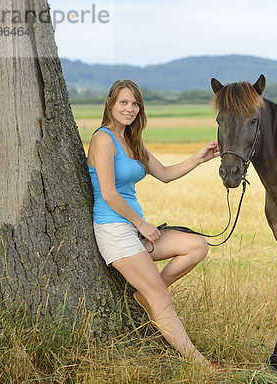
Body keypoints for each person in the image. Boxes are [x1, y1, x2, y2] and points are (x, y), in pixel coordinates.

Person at [86, 79, 220, 368]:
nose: (130, 109)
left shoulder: (132, 141)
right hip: (114, 229)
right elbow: (108, 193)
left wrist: (199, 159)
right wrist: (142, 224)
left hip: (135, 229)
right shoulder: (103, 139)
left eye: (135, 104)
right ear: (110, 103)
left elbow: (166, 174)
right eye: (124, 102)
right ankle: (201, 365)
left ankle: (144, 296)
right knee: (161, 296)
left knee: (196, 246)